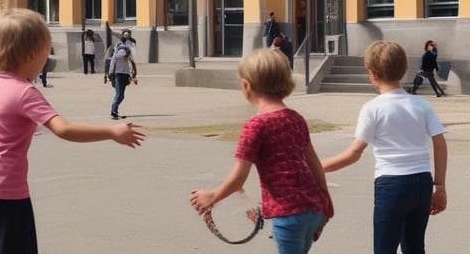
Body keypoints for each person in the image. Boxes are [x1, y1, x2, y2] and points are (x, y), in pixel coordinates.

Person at [0, 8, 145, 254]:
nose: (45, 60)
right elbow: (64, 129)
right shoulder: (25, 92)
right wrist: (111, 132)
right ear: (29, 56)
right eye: (45, 53)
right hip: (8, 198)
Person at [190, 48, 334, 254]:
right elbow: (314, 166)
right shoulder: (296, 118)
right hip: (313, 209)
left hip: (288, 215)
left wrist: (211, 197)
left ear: (246, 85)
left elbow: (238, 178)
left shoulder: (255, 126)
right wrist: (325, 204)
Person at [322, 40, 447, 254]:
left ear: (372, 73)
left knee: (384, 248)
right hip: (421, 183)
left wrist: (316, 166)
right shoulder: (422, 105)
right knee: (415, 246)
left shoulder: (373, 108)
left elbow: (354, 153)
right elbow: (440, 144)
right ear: (405, 68)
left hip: (391, 184)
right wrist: (440, 187)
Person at [107, 37, 138, 120]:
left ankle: (114, 111)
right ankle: (114, 112)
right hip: (119, 74)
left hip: (124, 74)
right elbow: (115, 58)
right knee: (119, 94)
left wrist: (132, 75)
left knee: (121, 95)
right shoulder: (122, 50)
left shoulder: (127, 52)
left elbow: (131, 64)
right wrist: (110, 73)